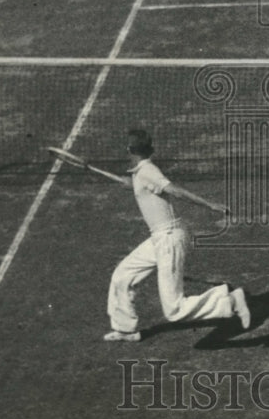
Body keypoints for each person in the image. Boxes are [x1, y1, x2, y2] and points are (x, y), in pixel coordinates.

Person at [104, 129, 251, 341]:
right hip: (159, 238)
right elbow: (145, 188)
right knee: (122, 275)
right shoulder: (141, 172)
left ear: (129, 150)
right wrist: (128, 182)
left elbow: (175, 191)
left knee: (174, 310)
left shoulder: (148, 171)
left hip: (169, 238)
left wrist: (209, 204)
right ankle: (126, 329)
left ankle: (230, 300)